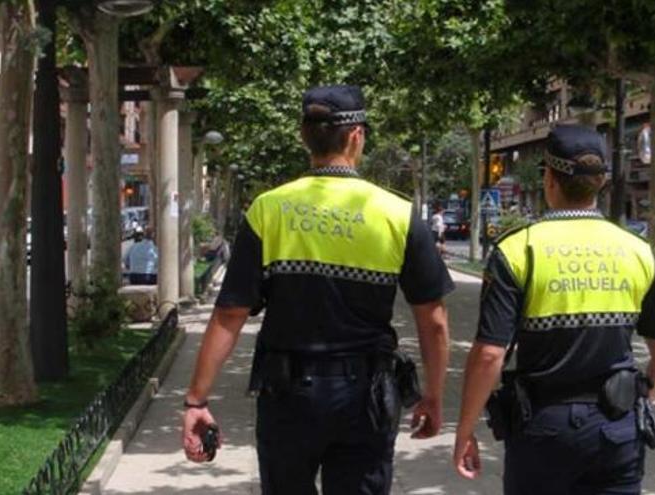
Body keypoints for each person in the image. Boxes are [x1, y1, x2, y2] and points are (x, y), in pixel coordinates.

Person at [181, 85, 454, 494]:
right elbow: (433, 321)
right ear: (357, 136)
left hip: (288, 398)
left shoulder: (268, 209)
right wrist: (433, 395)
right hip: (367, 398)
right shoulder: (397, 214)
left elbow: (230, 313)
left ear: (303, 135)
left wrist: (196, 400)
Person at [453, 125, 655, 495]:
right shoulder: (636, 251)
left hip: (543, 430)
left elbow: (490, 353)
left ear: (549, 180)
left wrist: (464, 430)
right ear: (601, 183)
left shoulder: (518, 250)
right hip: (616, 430)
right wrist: (636, 402)